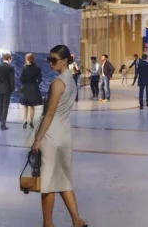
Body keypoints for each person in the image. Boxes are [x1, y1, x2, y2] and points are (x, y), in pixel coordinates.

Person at [30, 45, 88, 227]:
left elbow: (49, 114)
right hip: (65, 134)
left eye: (54, 60)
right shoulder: (71, 80)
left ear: (64, 61)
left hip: (51, 136)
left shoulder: (58, 83)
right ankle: (77, 221)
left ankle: (48, 224)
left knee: (47, 184)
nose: (50, 63)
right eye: (50, 59)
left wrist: (37, 139)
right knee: (63, 180)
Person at [19, 53, 43, 130]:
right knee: (32, 105)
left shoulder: (24, 68)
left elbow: (21, 78)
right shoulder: (37, 68)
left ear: (27, 59)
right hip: (34, 87)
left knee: (25, 105)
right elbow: (40, 79)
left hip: (26, 87)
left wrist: (24, 84)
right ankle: (31, 122)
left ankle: (25, 121)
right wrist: (36, 84)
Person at [0, 53, 16, 130]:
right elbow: (12, 80)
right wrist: (12, 89)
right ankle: (3, 125)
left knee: (0, 106)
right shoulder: (11, 68)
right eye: (11, 59)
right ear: (9, 59)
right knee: (5, 107)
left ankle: (1, 121)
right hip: (7, 90)